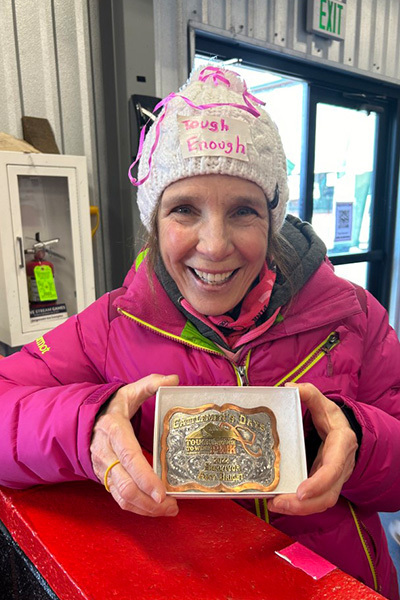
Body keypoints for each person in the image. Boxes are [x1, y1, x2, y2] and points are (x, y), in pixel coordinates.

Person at [0, 65, 399, 600]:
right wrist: (88, 429)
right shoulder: (112, 325)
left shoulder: (353, 316)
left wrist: (359, 441)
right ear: (154, 219)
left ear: (272, 220)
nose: (214, 246)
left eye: (243, 211)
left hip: (333, 584)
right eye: (184, 209)